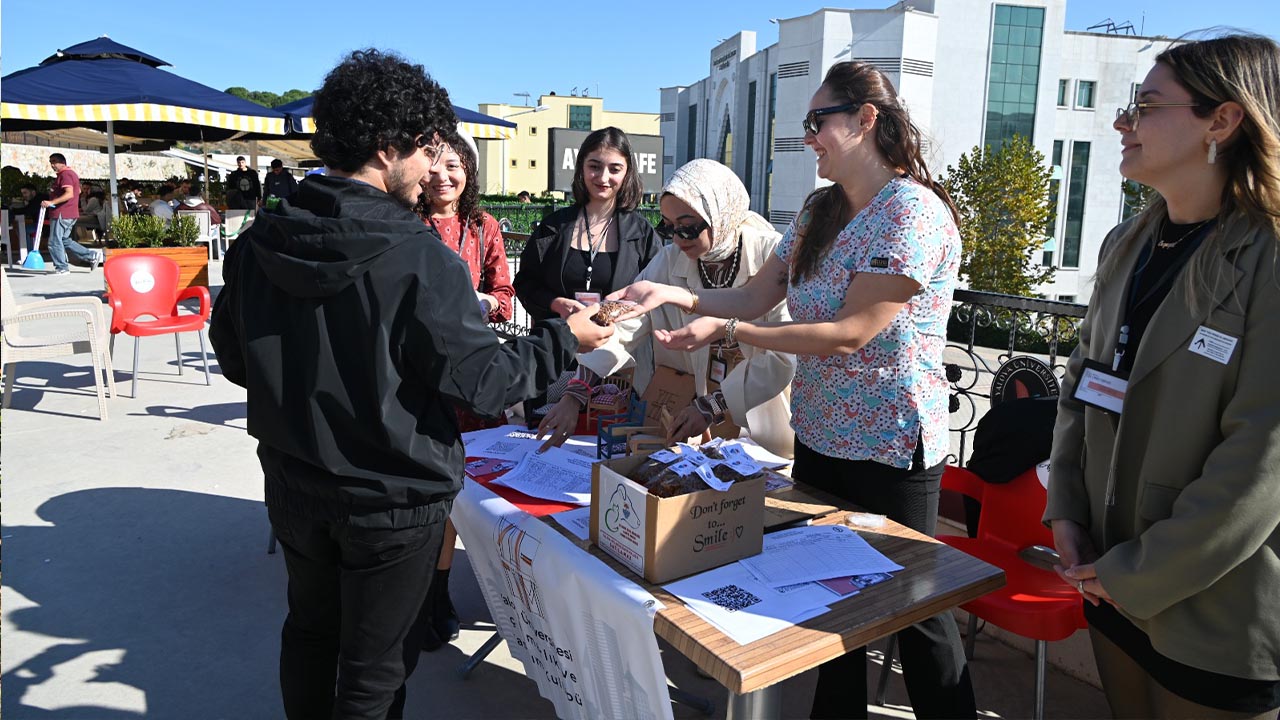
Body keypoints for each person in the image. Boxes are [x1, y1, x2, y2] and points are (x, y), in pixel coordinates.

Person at [208, 49, 612, 720]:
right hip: (392, 503)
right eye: (428, 150)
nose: (434, 169)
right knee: (373, 674)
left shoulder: (262, 236)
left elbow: (235, 359)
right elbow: (486, 384)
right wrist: (570, 341)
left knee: (310, 632)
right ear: (389, 146)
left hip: (294, 485)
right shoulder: (419, 254)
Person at [610, 61, 973, 719]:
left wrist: (730, 327)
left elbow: (849, 333)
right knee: (826, 598)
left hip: (892, 442)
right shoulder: (818, 210)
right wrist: (677, 293)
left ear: (866, 119)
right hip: (822, 433)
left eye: (817, 122)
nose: (808, 138)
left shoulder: (911, 212)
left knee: (915, 612)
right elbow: (755, 294)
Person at [1044, 34, 1280, 720]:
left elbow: (1260, 459)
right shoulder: (1128, 244)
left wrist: (1136, 575)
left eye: (1144, 106)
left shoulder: (1268, 258)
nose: (1123, 122)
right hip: (1108, 576)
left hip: (1212, 608)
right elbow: (1080, 385)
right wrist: (1064, 508)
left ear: (1223, 120)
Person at [537, 158, 796, 456]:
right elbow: (622, 325)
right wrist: (576, 393)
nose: (676, 239)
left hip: (761, 430)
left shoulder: (770, 257)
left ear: (721, 215)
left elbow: (783, 354)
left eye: (687, 228)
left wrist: (714, 404)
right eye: (668, 227)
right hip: (692, 426)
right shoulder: (670, 260)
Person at [410, 128, 516, 651]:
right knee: (431, 486)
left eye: (455, 165)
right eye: (433, 164)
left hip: (472, 368)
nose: (443, 175)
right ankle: (429, 591)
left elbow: (505, 293)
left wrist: (485, 303)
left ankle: (452, 586)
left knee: (471, 484)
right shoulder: (405, 221)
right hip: (419, 372)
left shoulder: (483, 226)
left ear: (469, 172)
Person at [513, 127, 662, 424]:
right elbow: (524, 283)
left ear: (627, 173)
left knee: (603, 444)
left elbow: (654, 294)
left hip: (617, 366)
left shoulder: (641, 233)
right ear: (581, 167)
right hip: (556, 353)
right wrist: (556, 303)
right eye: (594, 166)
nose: (603, 177)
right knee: (546, 442)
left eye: (614, 169)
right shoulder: (554, 226)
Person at [41, 154, 103, 274]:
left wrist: (52, 202)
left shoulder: (65, 175)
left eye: (54, 162)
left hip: (62, 213)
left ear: (62, 162)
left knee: (54, 241)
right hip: (69, 213)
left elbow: (69, 193)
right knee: (64, 240)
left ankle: (62, 267)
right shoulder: (70, 174)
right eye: (51, 162)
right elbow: (78, 191)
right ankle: (91, 256)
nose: (52, 165)